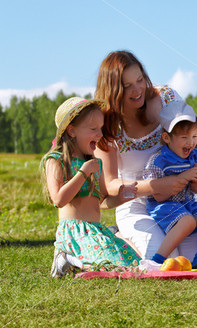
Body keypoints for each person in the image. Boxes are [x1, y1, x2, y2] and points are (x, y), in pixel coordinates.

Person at [94, 50, 197, 261]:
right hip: (137, 203)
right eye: (127, 85)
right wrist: (156, 186)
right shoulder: (106, 123)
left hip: (181, 199)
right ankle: (120, 237)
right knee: (161, 260)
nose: (137, 89)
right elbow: (111, 183)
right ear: (112, 89)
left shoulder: (166, 98)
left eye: (140, 79)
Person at [41, 97, 141, 277]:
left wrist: (120, 197)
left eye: (100, 128)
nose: (100, 134)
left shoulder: (96, 164)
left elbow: (101, 202)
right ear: (71, 131)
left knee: (133, 262)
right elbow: (59, 200)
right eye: (93, 129)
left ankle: (73, 262)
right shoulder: (56, 161)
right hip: (73, 232)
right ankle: (65, 255)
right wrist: (83, 173)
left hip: (95, 230)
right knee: (108, 265)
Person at [144, 101, 197, 269]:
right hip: (163, 205)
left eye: (194, 136)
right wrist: (184, 177)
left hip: (187, 204)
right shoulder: (158, 162)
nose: (191, 143)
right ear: (167, 138)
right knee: (188, 222)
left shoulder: (194, 157)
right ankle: (156, 261)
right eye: (184, 137)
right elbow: (158, 195)